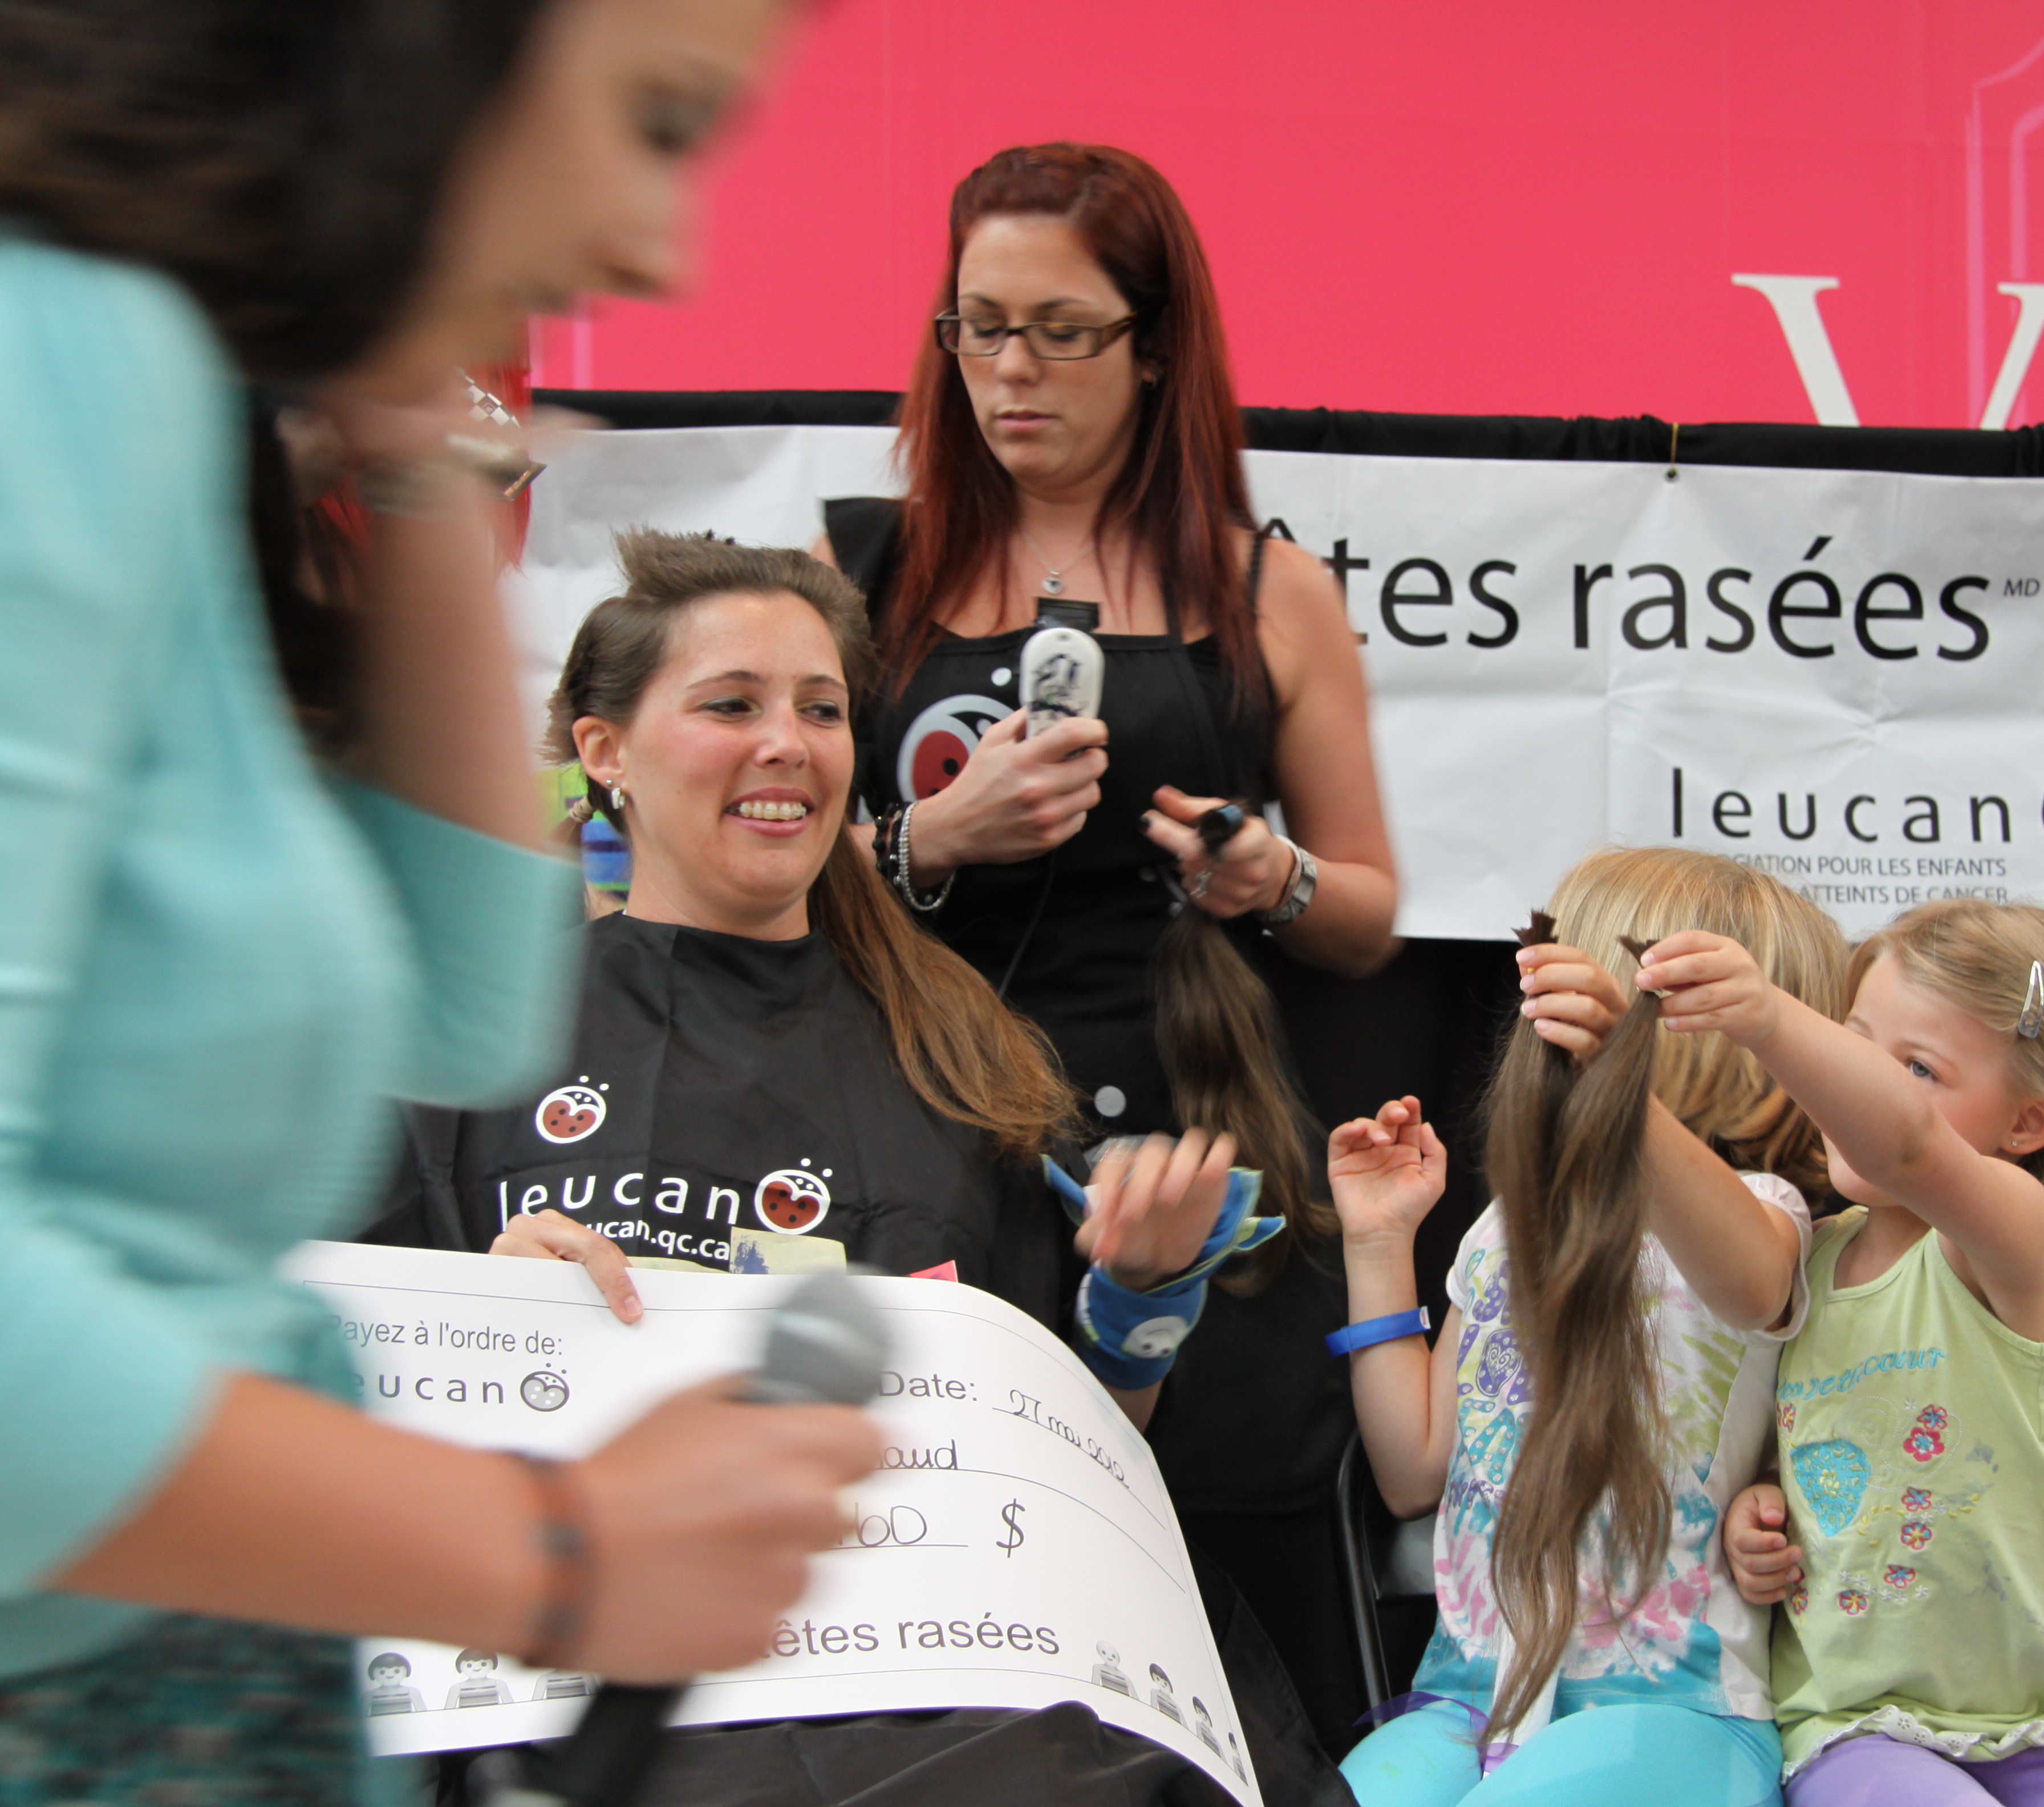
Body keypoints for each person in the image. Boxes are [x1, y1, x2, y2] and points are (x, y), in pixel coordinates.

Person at [0, 2, 881, 1800]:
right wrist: (553, 1551)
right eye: (657, 120)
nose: (659, 248)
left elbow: (463, 1010)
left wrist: (421, 449)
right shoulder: (60, 349)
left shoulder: (182, 390)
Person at [378, 529, 1354, 1806]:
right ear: (605, 750)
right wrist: (482, 1327)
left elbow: (1080, 1455)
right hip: (601, 1677)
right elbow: (324, 1432)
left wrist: (1141, 1300)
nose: (788, 743)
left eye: (823, 709)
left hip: (944, 1680)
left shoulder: (960, 1053)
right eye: (732, 705)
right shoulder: (466, 1042)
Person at [824, 140, 1402, 1733]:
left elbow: (1367, 911)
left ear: (1154, 346)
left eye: (1062, 330)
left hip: (1193, 1149)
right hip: (930, 1144)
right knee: (939, 1583)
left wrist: (1268, 877)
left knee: (1215, 1596)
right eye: (979, 325)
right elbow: (751, 873)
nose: (1011, 370)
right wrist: (930, 838)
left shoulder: (1269, 591)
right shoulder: (862, 571)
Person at [1676, 900, 2044, 1806]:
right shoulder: (1803, 1263)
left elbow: (1906, 1147)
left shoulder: (2017, 1238)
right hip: (1861, 1731)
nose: (1863, 1087)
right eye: (1854, 1043)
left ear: (2028, 1125)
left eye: (1917, 1069)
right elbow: (1821, 1449)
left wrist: (1767, 1019)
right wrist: (1764, 1507)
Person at [1325, 848, 1843, 1807]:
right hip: (1469, 1701)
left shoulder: (1763, 1208)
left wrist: (1619, 1087)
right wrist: (1379, 1243)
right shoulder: (1506, 1226)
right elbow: (1414, 1471)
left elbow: (1750, 1286)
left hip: (1672, 1709)